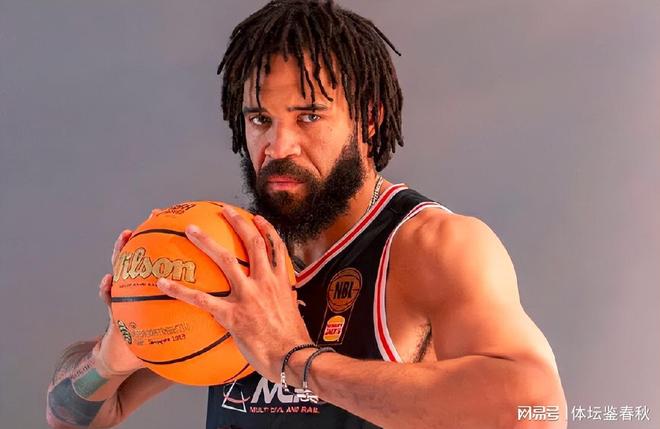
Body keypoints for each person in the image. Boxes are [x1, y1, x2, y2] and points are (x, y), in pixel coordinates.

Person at [46, 1, 567, 428]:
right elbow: (76, 417)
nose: (278, 146)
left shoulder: (432, 245)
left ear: (368, 119)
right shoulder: (229, 254)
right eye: (260, 119)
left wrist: (292, 359)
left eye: (309, 116)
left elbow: (535, 411)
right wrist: (110, 358)